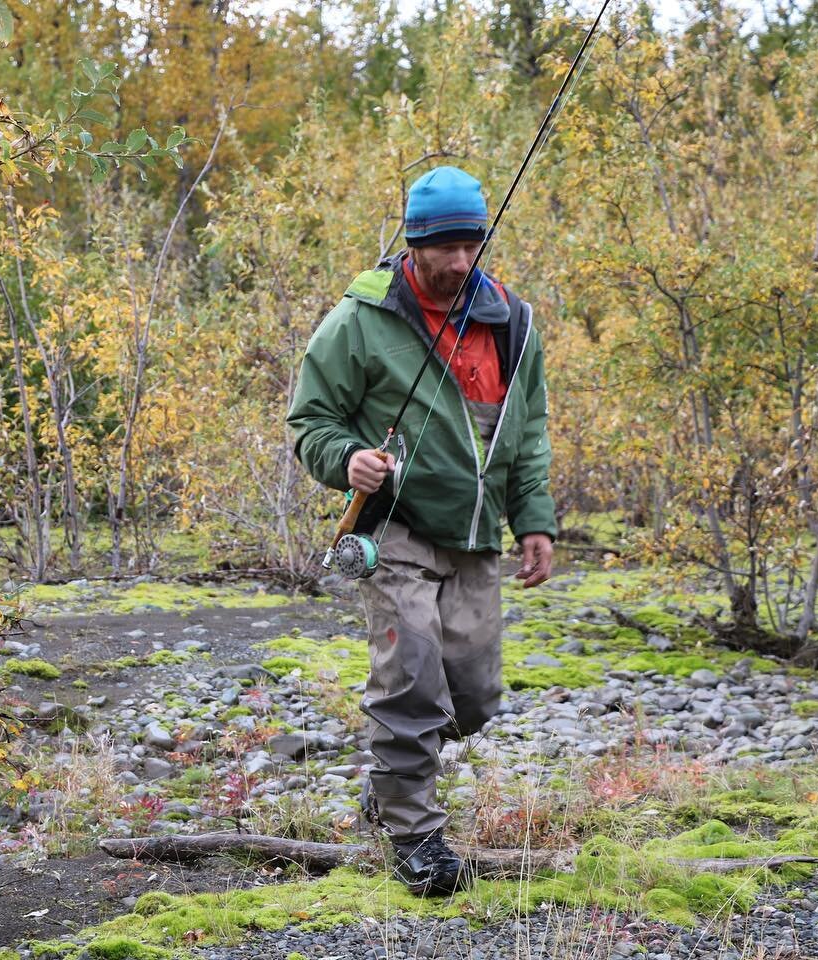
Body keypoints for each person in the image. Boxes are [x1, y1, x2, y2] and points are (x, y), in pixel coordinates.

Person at [285, 165, 557, 896]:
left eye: (471, 244)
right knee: (411, 681)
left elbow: (526, 434)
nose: (459, 261)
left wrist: (534, 522)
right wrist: (348, 460)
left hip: (476, 535)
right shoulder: (361, 319)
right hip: (395, 530)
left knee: (472, 696)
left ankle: (390, 782)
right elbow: (311, 421)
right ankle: (416, 833)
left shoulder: (512, 321)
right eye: (444, 247)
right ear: (414, 243)